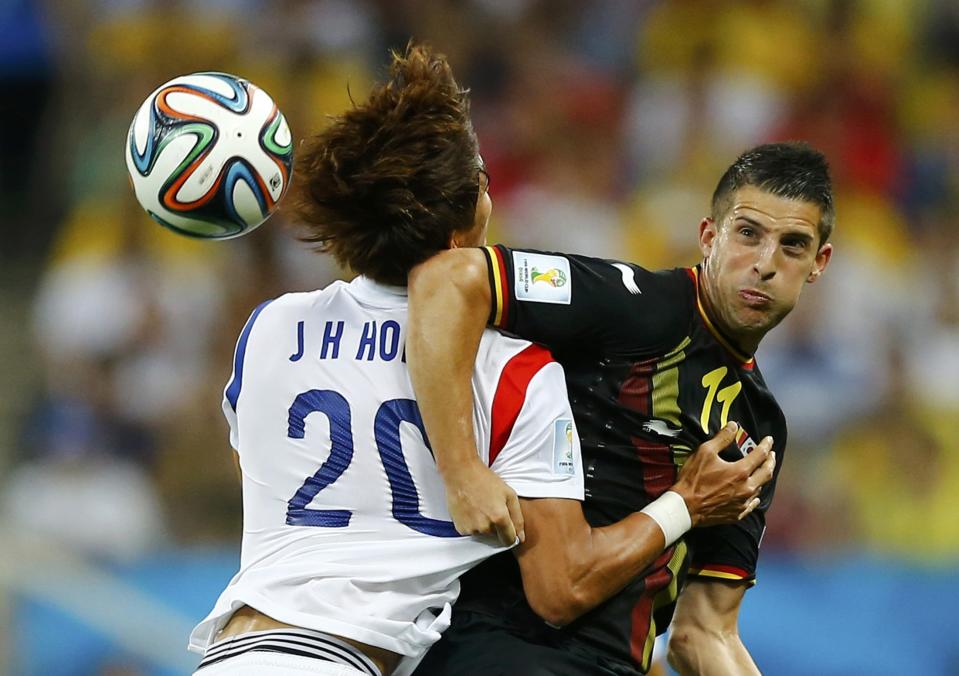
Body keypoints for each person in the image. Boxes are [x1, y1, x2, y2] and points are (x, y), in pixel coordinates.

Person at [187, 44, 775, 676]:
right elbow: (565, 584)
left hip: (234, 652)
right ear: (457, 238)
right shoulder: (512, 370)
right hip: (344, 658)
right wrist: (684, 502)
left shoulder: (270, 328)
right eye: (484, 185)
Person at [407, 141, 834, 675]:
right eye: (748, 234)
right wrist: (462, 469)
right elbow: (448, 279)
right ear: (709, 236)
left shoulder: (759, 424)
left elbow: (704, 634)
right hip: (511, 647)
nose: (765, 265)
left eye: (793, 246)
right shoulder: (632, 304)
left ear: (819, 263)